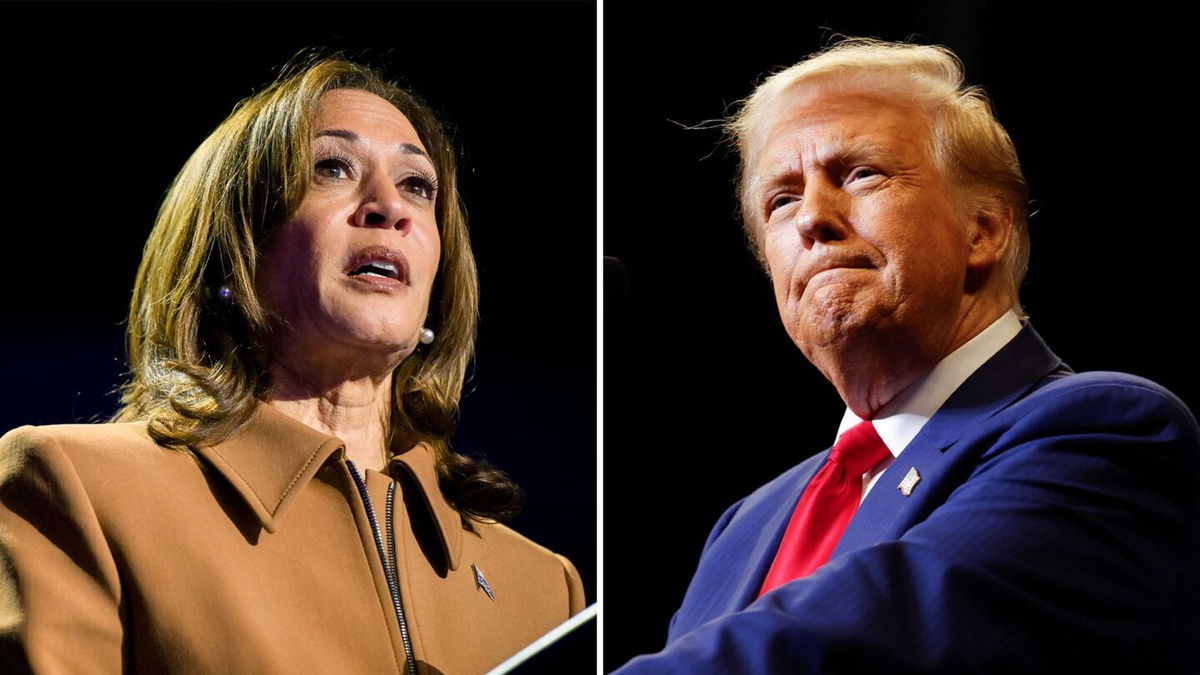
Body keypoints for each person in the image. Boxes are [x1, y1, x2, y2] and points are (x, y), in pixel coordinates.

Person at [615, 38, 1200, 673]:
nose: (812, 216)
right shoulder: (746, 525)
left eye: (860, 173)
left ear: (984, 228)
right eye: (781, 199)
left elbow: (877, 634)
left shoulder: (1101, 431)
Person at [0, 55, 584, 673]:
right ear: (233, 250)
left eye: (418, 185)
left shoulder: (547, 590)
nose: (391, 207)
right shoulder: (80, 488)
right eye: (332, 168)